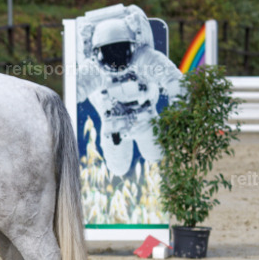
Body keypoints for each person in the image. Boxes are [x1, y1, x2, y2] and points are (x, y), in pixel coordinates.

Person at [77, 14, 183, 177]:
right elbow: (74, 90)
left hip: (145, 117)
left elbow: (173, 79)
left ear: (132, 47)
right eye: (111, 53)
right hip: (113, 123)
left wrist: (178, 109)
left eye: (121, 50)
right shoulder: (94, 68)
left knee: (156, 156)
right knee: (117, 168)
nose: (116, 58)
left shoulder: (145, 59)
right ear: (98, 52)